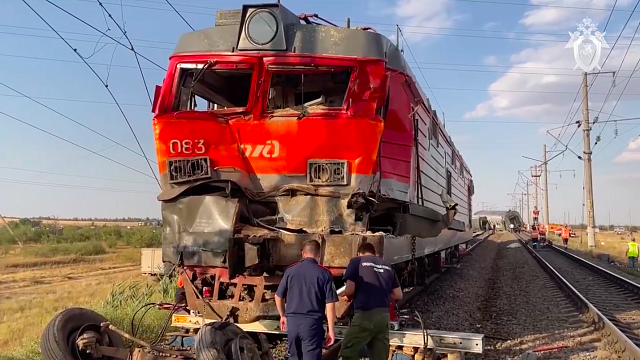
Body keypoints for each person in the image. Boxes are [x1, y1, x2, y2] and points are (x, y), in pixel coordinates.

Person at [338, 243, 403, 360]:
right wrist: (380, 295)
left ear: (359, 253)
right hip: (384, 318)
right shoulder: (387, 265)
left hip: (365, 316)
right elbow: (398, 295)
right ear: (375, 253)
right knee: (379, 356)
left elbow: (349, 290)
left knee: (348, 353)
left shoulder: (357, 261)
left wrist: (349, 296)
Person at [275, 240, 338, 360]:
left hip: (292, 323)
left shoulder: (290, 271)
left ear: (303, 254)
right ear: (319, 255)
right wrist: (331, 330)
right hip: (311, 325)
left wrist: (283, 316)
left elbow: (278, 296)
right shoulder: (324, 274)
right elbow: (330, 304)